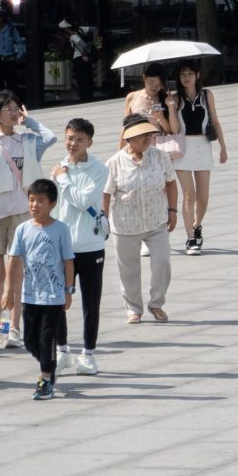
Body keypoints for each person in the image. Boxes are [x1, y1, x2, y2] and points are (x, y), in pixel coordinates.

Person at [0, 92, 57, 345]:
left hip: (23, 213)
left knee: (17, 272)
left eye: (16, 108)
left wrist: (30, 121)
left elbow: (51, 137)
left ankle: (13, 327)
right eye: (8, 108)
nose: (13, 112)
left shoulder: (28, 140)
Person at [49, 119, 108, 375]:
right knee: (58, 300)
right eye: (70, 138)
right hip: (62, 246)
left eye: (79, 139)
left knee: (90, 302)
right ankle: (62, 351)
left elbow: (83, 201)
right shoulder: (59, 168)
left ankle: (89, 354)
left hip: (91, 246)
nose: (73, 144)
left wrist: (62, 180)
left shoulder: (99, 169)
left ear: (90, 142)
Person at [105, 116, 177, 324]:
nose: (148, 139)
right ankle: (133, 309)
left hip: (156, 220)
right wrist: (103, 218)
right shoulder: (114, 162)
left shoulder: (160, 156)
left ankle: (156, 303)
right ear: (129, 138)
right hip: (125, 222)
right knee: (128, 269)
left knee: (162, 261)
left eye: (149, 134)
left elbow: (171, 183)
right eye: (143, 135)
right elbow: (106, 193)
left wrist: (172, 210)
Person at [7, 179, 73, 401]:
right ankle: (50, 363)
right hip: (30, 295)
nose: (34, 205)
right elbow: (14, 261)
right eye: (32, 200)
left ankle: (45, 380)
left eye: (40, 201)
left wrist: (68, 290)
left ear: (52, 204)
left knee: (46, 340)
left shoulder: (60, 229)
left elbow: (68, 262)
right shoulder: (22, 229)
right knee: (29, 341)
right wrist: (9, 291)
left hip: (53, 297)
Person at [165, 62, 227, 255]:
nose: (186, 78)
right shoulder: (175, 98)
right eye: (183, 74)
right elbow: (174, 129)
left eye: (190, 74)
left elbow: (215, 121)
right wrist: (171, 109)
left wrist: (223, 148)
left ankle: (197, 224)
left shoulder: (207, 95)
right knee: (189, 194)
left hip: (202, 146)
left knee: (203, 196)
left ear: (197, 75)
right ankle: (191, 237)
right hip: (183, 147)